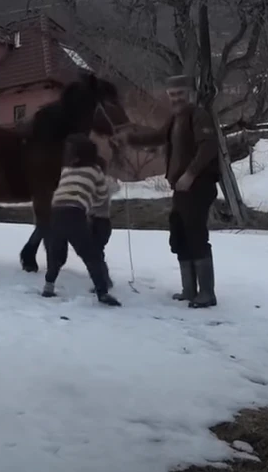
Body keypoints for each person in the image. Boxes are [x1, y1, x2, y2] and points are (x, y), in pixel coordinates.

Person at [119, 74, 220, 308]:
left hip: (198, 185)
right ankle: (188, 290)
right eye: (172, 95)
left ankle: (207, 293)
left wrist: (190, 174)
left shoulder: (198, 115)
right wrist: (129, 140)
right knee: (180, 234)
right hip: (181, 188)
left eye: (180, 94)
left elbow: (208, 147)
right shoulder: (175, 119)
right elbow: (156, 137)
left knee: (196, 235)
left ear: (190, 94)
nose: (176, 98)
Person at [42, 134, 122, 307]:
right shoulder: (94, 170)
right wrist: (89, 202)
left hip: (55, 212)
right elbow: (101, 195)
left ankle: (48, 286)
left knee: (56, 253)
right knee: (90, 255)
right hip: (74, 213)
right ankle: (102, 292)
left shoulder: (66, 170)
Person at [87, 154, 120, 294]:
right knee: (96, 253)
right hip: (102, 222)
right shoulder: (106, 182)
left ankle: (103, 281)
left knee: (95, 253)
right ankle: (104, 279)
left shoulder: (98, 183)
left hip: (98, 221)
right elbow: (116, 187)